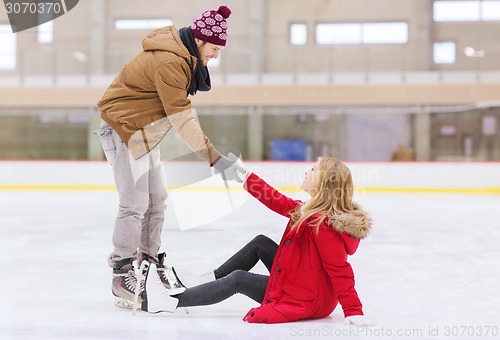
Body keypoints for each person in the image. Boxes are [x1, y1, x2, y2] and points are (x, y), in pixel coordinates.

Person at [95, 5, 242, 308]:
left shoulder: (183, 59)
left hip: (145, 131)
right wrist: (215, 158)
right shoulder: (170, 63)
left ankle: (147, 263)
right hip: (123, 126)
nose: (215, 56)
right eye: (214, 49)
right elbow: (184, 122)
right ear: (200, 41)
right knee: (134, 202)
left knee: (157, 200)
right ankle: (122, 276)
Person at [139, 157, 374, 325]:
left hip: (306, 299)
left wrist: (354, 311)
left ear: (324, 184)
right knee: (261, 243)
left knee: (239, 280)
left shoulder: (322, 225)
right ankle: (207, 279)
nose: (306, 171)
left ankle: (170, 301)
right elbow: (276, 200)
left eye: (312, 169)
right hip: (306, 285)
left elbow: (339, 270)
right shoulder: (307, 212)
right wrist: (243, 175)